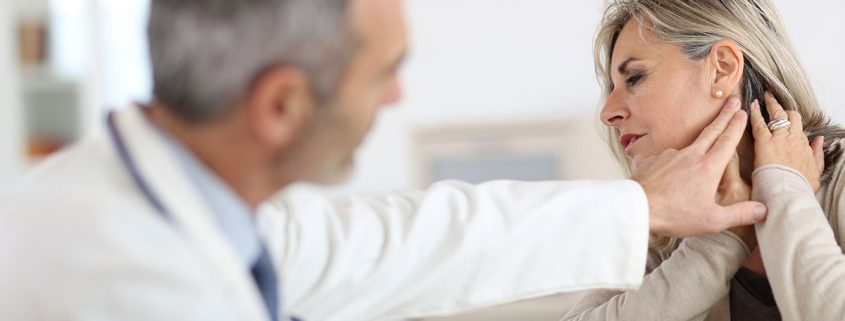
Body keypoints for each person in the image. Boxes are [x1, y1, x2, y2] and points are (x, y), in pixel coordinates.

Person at [0, 0, 765, 321]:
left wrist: (643, 210)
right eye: (380, 72)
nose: (396, 98)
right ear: (281, 107)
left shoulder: (207, 206)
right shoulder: (124, 279)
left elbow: (408, 235)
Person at [563, 0, 845, 320]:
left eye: (636, 77)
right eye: (613, 87)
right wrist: (720, 243)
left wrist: (782, 187)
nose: (607, 113)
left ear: (722, 68)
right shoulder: (663, 228)